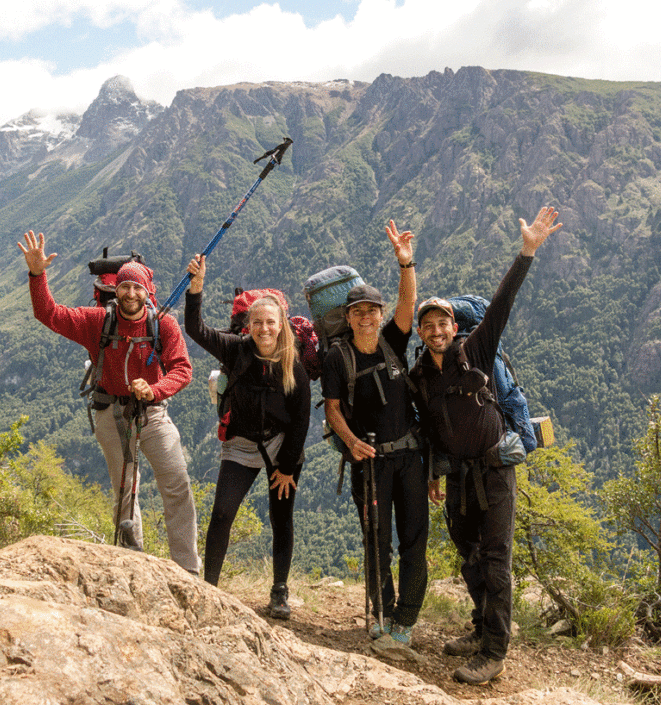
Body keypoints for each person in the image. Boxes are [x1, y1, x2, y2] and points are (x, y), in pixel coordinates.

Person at [410, 206, 562, 685]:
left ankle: (495, 651)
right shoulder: (420, 376)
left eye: (444, 323)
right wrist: (434, 471)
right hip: (457, 474)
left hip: (496, 470)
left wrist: (527, 252)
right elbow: (430, 425)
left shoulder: (473, 351)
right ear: (420, 332)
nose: (437, 331)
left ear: (455, 327)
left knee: (496, 560)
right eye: (428, 325)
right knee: (468, 554)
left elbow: (502, 304)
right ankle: (481, 628)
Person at [17, 230, 200, 574]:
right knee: (124, 490)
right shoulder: (97, 321)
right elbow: (49, 314)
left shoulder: (164, 326)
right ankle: (134, 562)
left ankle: (187, 570)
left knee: (176, 483)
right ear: (116, 291)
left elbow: (182, 370)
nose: (131, 293)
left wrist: (155, 390)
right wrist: (37, 274)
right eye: (125, 287)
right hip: (110, 414)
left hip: (152, 414)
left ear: (148, 294)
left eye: (138, 288)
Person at [184, 254, 311, 619]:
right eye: (257, 322)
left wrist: (287, 467)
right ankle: (208, 588)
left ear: (281, 324)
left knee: (280, 517)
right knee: (222, 514)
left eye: (270, 322)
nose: (264, 328)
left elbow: (301, 422)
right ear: (249, 325)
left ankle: (279, 591)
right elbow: (196, 329)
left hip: (280, 446)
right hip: (241, 444)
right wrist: (197, 288)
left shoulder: (294, 367)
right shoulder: (236, 349)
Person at [322, 220, 426, 648]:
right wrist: (350, 442)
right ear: (347, 318)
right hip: (369, 461)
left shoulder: (393, 343)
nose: (366, 317)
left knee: (414, 538)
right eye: (357, 311)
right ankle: (381, 612)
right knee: (376, 539)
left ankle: (406, 618)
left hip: (409, 458)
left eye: (371, 311)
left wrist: (405, 263)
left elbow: (409, 301)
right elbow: (331, 410)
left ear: (380, 316)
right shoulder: (336, 357)